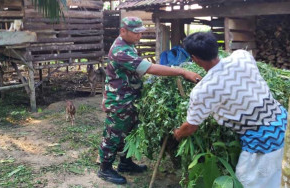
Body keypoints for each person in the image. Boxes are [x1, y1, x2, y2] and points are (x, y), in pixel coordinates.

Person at [173, 32, 288, 188]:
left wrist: (178, 133)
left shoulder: (203, 90)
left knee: (252, 181)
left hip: (262, 139)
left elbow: (192, 126)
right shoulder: (242, 56)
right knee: (282, 173)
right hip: (284, 122)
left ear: (195, 59)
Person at [98, 17, 202, 185]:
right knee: (113, 133)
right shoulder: (120, 51)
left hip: (128, 97)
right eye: (136, 33)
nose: (139, 36)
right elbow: (150, 68)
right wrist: (181, 71)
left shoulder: (128, 45)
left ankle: (125, 163)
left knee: (129, 130)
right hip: (119, 100)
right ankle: (105, 168)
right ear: (123, 31)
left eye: (141, 33)